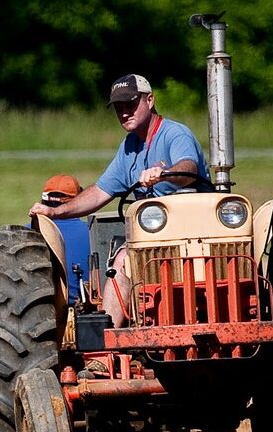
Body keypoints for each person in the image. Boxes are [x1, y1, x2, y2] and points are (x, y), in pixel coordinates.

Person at [28, 74, 210, 326]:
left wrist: (165, 173)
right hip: (153, 239)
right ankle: (107, 346)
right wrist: (55, 212)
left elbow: (189, 169)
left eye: (130, 104)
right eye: (119, 108)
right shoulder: (130, 147)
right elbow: (100, 192)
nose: (124, 112)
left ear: (150, 100)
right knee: (121, 262)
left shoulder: (175, 134)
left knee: (125, 259)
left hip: (195, 232)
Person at [38, 173, 91, 305]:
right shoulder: (93, 232)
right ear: (79, 202)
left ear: (43, 201)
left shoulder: (28, 233)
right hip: (85, 308)